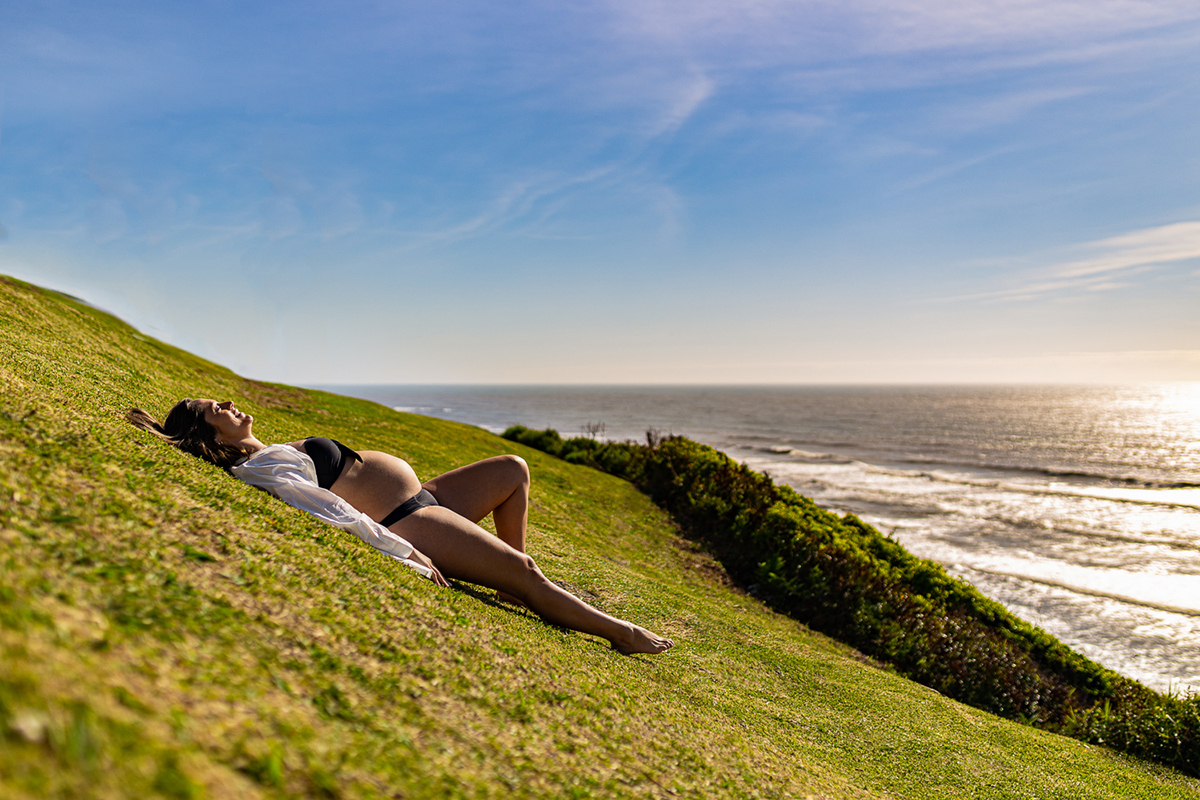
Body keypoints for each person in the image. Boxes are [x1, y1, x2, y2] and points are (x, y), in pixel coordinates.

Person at [126, 398, 673, 655]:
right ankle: (619, 633)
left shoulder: (267, 449)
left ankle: (523, 581)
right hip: (410, 520)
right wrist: (404, 552)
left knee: (513, 469)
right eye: (213, 408)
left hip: (425, 495)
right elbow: (331, 511)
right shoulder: (261, 467)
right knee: (525, 572)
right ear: (212, 436)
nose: (226, 402)